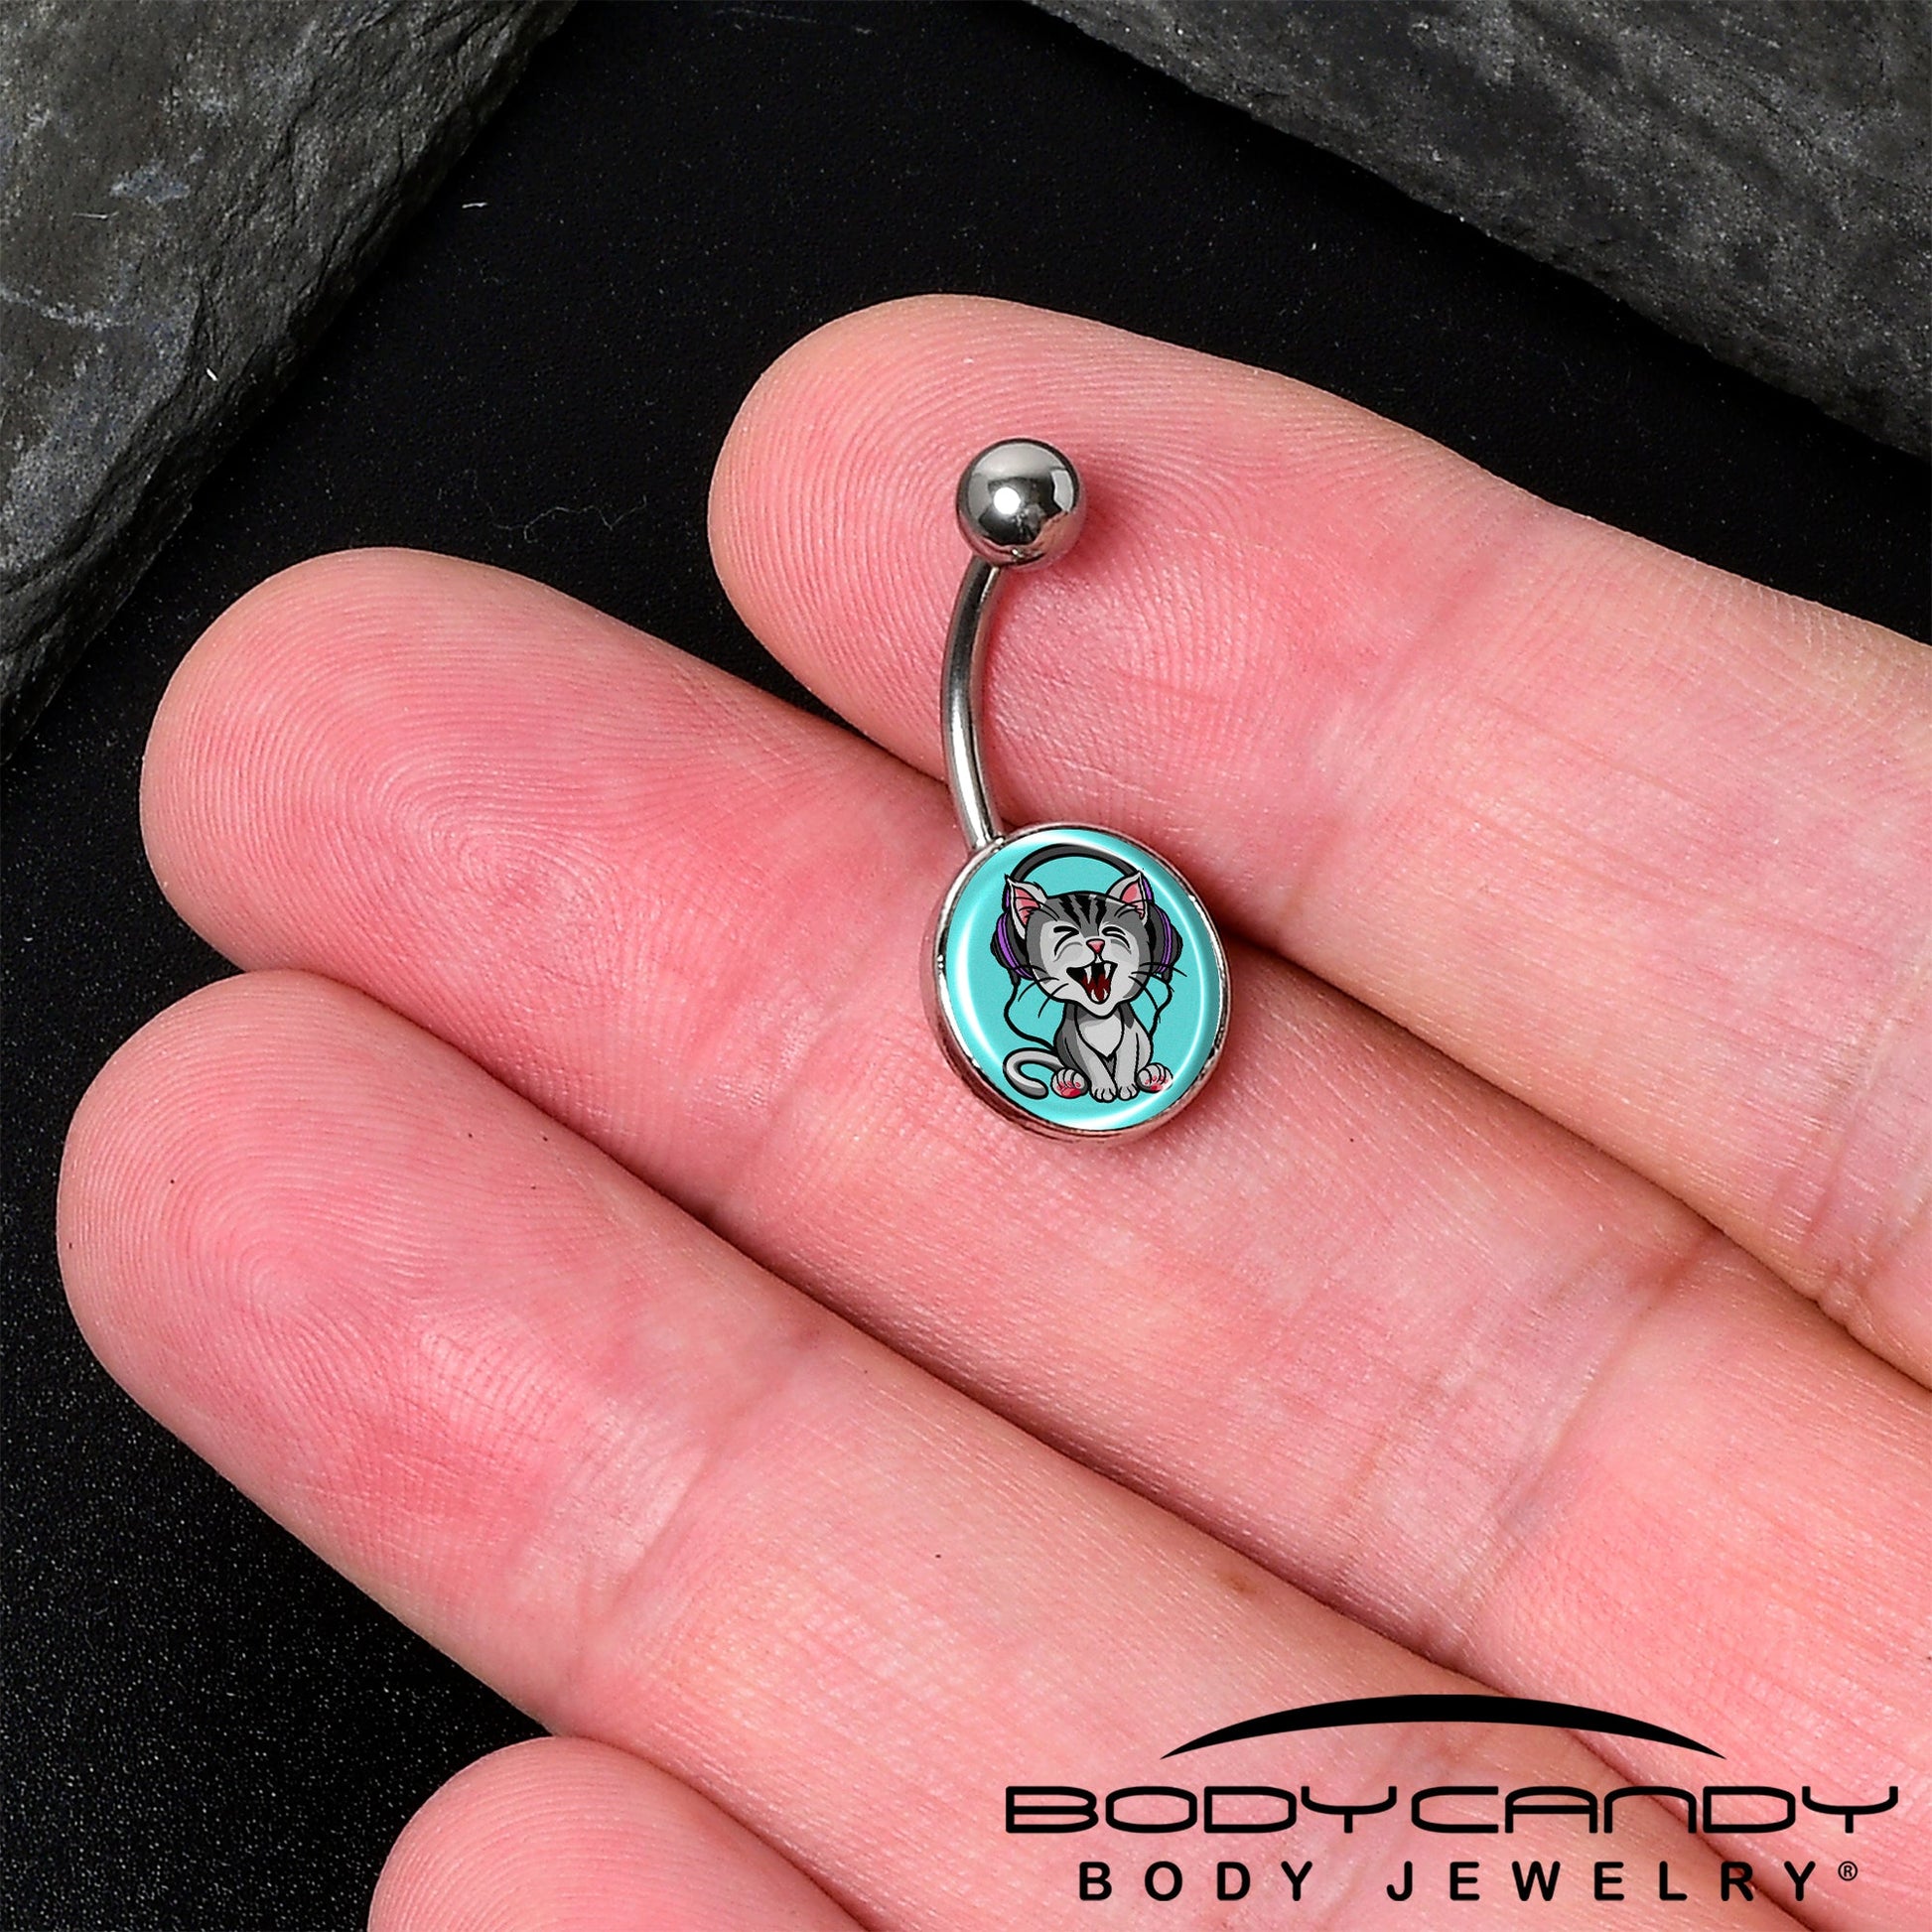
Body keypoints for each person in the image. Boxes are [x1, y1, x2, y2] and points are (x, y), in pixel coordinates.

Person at [58, 298, 1929, 1928]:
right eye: (1080, 954)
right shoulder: (1030, 950)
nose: (1101, 965)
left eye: (1109, 951)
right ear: (1051, 956)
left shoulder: (1100, 943)